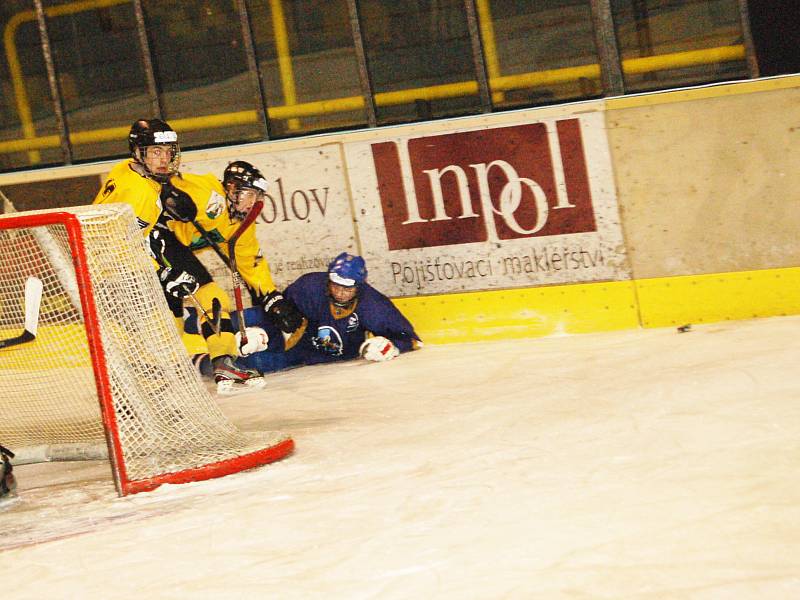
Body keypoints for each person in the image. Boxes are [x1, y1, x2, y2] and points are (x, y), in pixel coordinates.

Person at [93, 119, 301, 394]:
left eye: (168, 152)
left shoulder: (138, 176)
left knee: (204, 301)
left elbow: (249, 260)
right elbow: (122, 239)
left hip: (150, 248)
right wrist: (161, 268)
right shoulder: (153, 191)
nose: (164, 159)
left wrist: (271, 296)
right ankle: (144, 377)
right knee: (167, 316)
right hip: (125, 260)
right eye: (156, 152)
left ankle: (219, 363)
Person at [188, 252, 421, 376]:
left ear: (359, 286)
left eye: (347, 288)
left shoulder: (373, 305)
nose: (339, 293)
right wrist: (265, 333)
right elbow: (284, 316)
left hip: (313, 352)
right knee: (244, 318)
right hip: (295, 326)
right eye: (335, 285)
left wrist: (392, 346)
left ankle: (197, 365)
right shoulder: (310, 286)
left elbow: (408, 337)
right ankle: (193, 323)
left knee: (258, 363)